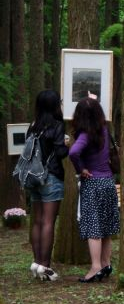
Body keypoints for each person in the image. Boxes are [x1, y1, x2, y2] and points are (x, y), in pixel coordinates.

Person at [68, 97, 119, 283]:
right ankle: (106, 263)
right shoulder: (105, 131)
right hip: (108, 183)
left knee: (94, 228)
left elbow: (73, 152)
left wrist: (81, 169)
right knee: (105, 227)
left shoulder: (85, 134)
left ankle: (95, 266)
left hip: (93, 184)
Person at [27, 90, 69, 281]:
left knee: (36, 220)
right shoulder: (57, 125)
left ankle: (36, 263)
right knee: (48, 222)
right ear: (54, 105)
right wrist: (66, 143)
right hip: (51, 176)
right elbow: (60, 153)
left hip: (33, 178)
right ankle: (45, 265)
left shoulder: (33, 125)